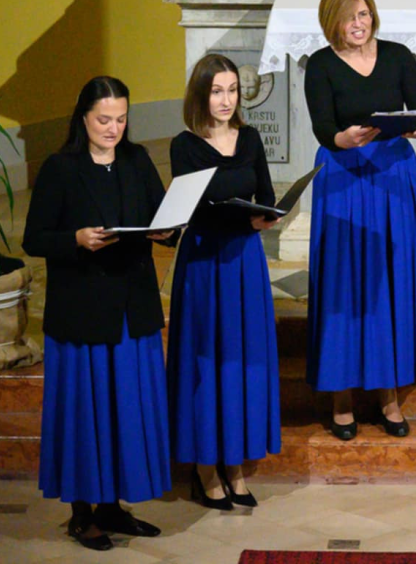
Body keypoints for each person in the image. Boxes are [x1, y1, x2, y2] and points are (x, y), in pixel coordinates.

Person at [23, 77, 176, 550]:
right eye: (104, 120)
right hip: (82, 313)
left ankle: (112, 507)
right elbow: (34, 238)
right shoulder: (60, 168)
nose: (113, 128)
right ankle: (81, 514)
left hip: (132, 307)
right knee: (85, 415)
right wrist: (75, 239)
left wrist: (166, 232)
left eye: (121, 119)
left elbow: (163, 219)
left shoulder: (137, 160)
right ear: (83, 118)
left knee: (125, 410)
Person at [304, 0, 416, 440]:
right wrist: (342, 138)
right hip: (344, 177)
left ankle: (389, 396)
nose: (358, 24)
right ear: (332, 22)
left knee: (390, 282)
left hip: (392, 176)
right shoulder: (321, 65)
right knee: (343, 284)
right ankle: (341, 399)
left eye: (363, 14)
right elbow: (323, 127)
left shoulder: (398, 56)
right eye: (349, 18)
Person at [167, 54, 281, 510]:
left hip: (244, 262)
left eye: (233, 90)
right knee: (205, 359)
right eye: (217, 91)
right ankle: (205, 469)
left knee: (241, 359)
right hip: (203, 261)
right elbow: (190, 211)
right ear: (200, 94)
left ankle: (235, 465)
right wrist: (238, 220)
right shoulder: (184, 146)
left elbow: (266, 195)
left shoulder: (250, 138)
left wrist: (266, 216)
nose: (226, 99)